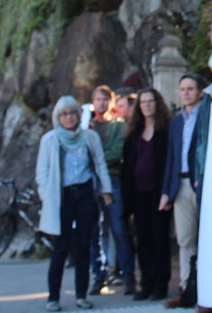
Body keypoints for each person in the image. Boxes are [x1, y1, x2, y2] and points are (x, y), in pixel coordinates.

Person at [36, 96, 113, 312]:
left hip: (85, 194)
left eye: (72, 113)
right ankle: (53, 297)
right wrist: (46, 196)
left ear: (78, 116)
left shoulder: (89, 137)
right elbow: (42, 173)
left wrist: (105, 190)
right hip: (62, 197)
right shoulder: (50, 140)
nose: (68, 117)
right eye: (64, 114)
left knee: (84, 246)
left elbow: (99, 164)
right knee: (60, 248)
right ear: (57, 117)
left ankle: (81, 295)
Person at [158, 73, 210, 308]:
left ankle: (208, 289)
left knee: (208, 237)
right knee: (185, 239)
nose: (186, 93)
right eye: (182, 89)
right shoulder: (176, 122)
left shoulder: (209, 116)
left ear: (200, 92)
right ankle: (186, 289)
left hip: (202, 183)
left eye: (190, 88)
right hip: (180, 185)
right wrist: (167, 191)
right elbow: (171, 157)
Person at [122, 87, 172, 301]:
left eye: (151, 101)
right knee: (143, 240)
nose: (147, 105)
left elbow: (169, 163)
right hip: (138, 193)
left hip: (158, 193)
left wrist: (168, 193)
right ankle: (147, 283)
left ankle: (161, 284)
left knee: (160, 238)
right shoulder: (133, 133)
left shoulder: (166, 131)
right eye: (143, 102)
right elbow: (127, 167)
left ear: (157, 103)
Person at [85, 85, 135, 295]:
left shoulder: (118, 126)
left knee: (119, 229)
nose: (102, 103)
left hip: (113, 181)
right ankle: (99, 275)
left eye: (106, 99)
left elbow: (116, 152)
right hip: (89, 182)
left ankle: (127, 274)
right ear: (93, 102)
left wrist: (97, 157)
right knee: (94, 232)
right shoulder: (86, 127)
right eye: (98, 99)